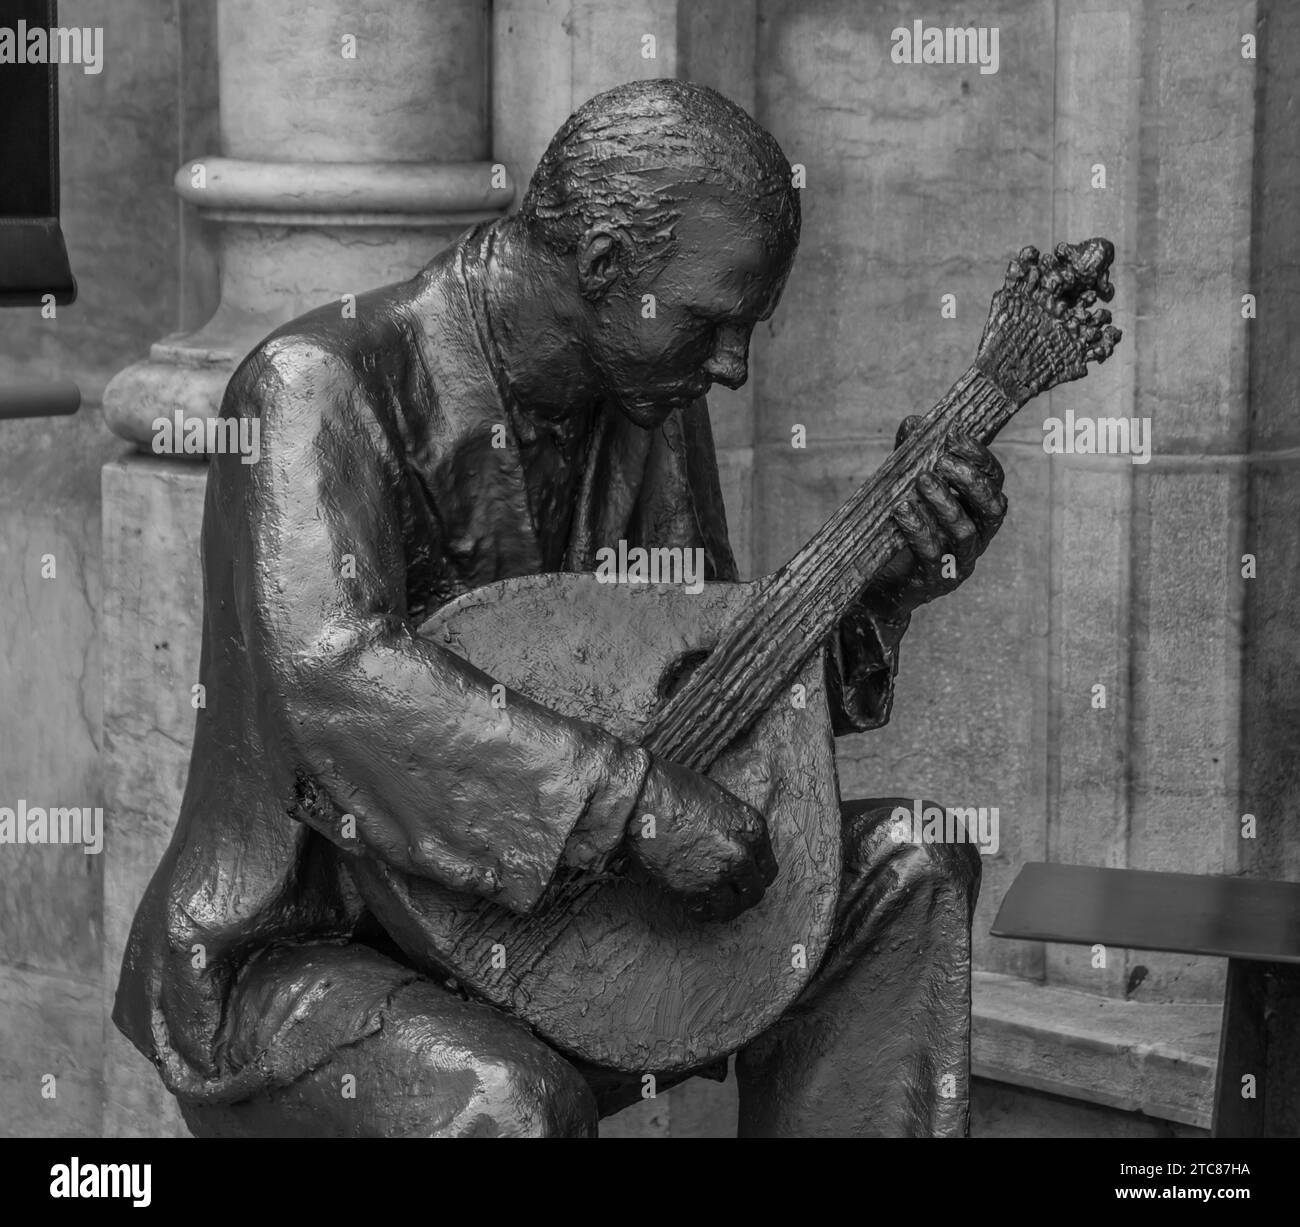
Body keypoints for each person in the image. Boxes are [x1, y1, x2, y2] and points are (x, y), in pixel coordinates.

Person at [115, 78, 1008, 1138]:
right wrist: (630, 805)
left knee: (909, 866)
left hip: (579, 931)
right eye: (712, 323)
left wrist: (880, 591)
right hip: (319, 948)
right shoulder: (315, 384)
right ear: (600, 269)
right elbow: (333, 679)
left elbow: (716, 684)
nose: (731, 367)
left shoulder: (646, 401)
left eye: (750, 329)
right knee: (506, 1103)